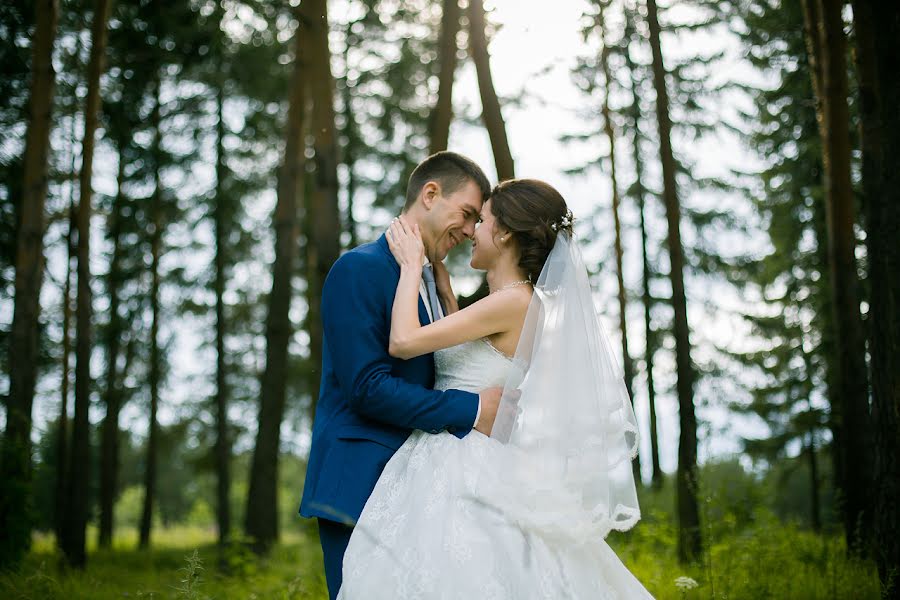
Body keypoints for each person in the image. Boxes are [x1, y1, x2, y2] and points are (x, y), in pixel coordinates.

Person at [338, 179, 654, 599]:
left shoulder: (515, 301)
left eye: (481, 220)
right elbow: (475, 358)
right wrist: (449, 299)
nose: (472, 232)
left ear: (504, 233)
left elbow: (403, 341)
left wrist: (412, 267)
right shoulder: (516, 301)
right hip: (467, 450)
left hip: (461, 459)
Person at [298, 151, 505, 600]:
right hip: (359, 481)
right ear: (430, 194)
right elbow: (366, 388)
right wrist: (472, 408)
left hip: (417, 484)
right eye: (467, 214)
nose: (471, 231)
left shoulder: (432, 280)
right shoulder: (361, 269)